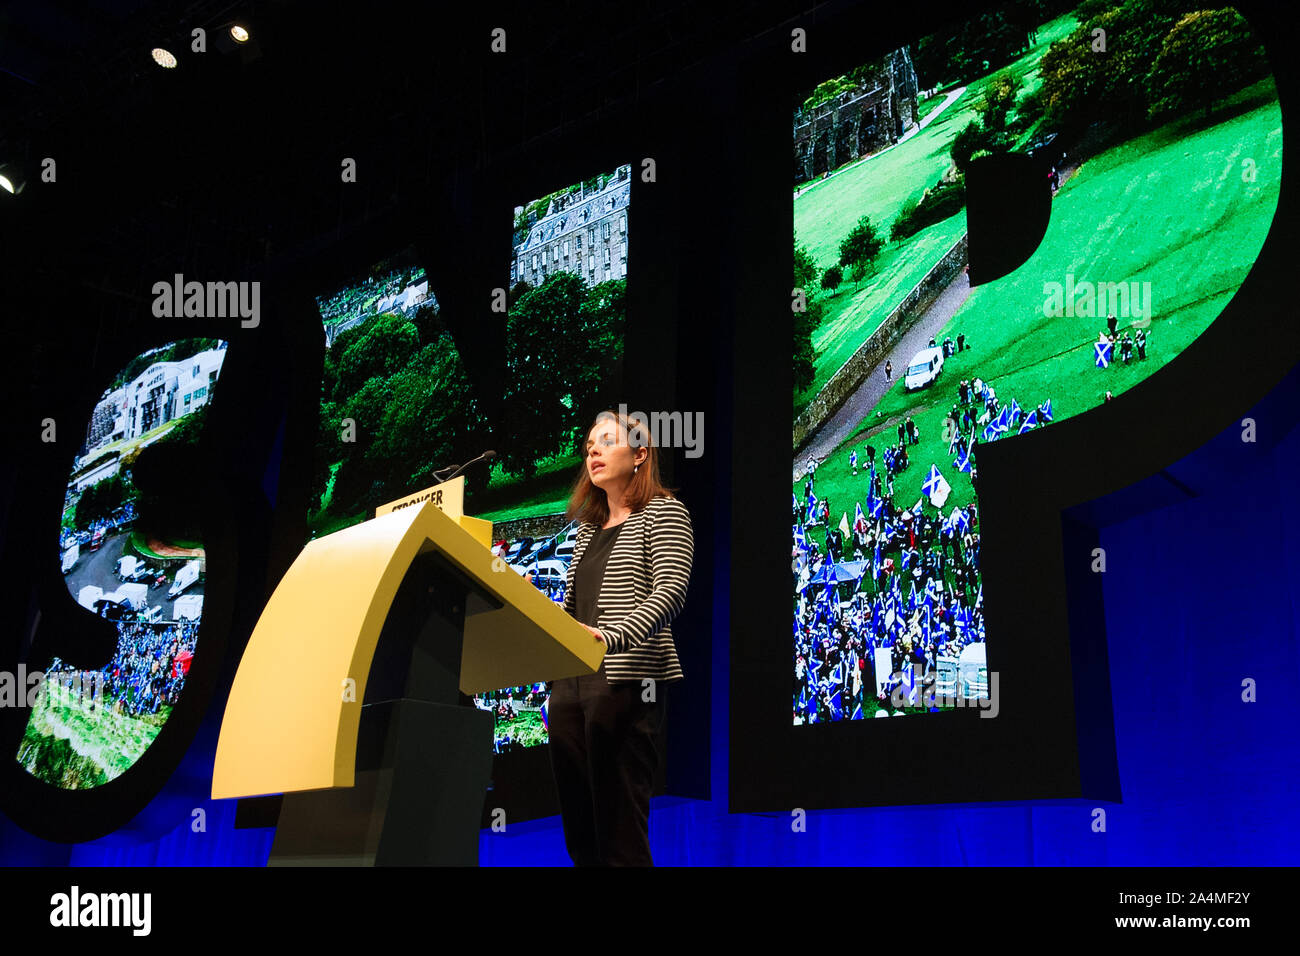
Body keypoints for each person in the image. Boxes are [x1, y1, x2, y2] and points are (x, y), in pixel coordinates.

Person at [548, 408, 695, 866]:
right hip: (571, 685)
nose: (592, 449)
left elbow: (671, 592)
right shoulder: (587, 529)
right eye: (590, 443)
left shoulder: (664, 512)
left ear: (640, 454)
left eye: (607, 441)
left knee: (620, 832)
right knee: (581, 833)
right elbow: (572, 611)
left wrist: (611, 638)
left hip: (628, 680)